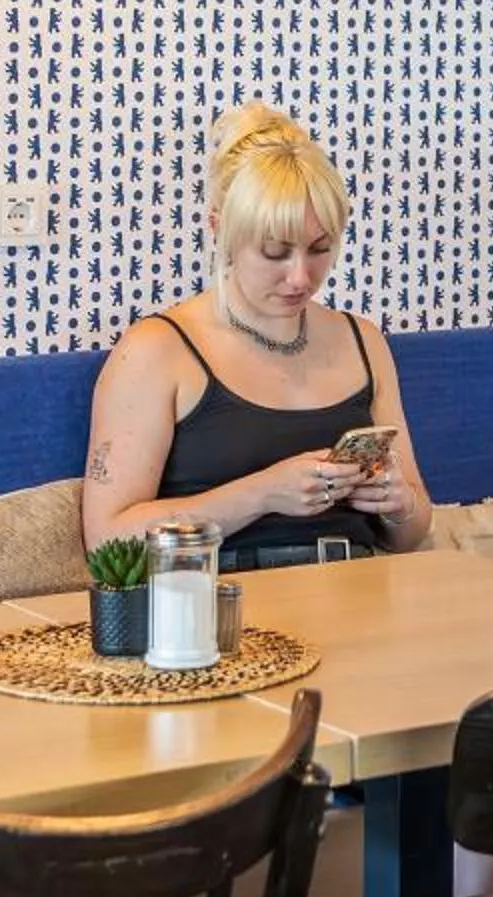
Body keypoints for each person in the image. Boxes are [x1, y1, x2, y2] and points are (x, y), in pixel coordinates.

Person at [83, 104, 435, 567]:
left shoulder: (364, 342)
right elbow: (107, 543)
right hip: (225, 605)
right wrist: (262, 494)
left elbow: (411, 534)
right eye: (274, 252)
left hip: (361, 592)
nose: (300, 277)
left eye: (320, 249)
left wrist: (398, 503)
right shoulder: (156, 351)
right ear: (219, 230)